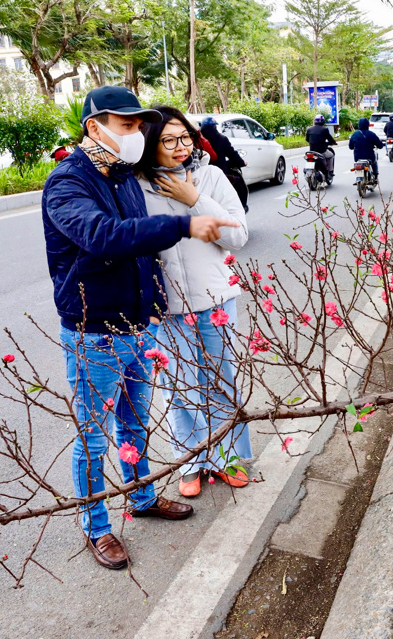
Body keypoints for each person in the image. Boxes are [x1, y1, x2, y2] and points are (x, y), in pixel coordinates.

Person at [42, 86, 239, 571]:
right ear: (95, 126)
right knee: (93, 435)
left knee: (134, 422)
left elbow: (143, 251)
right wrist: (184, 225)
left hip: (138, 326)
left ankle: (143, 497)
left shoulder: (126, 176)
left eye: (137, 125)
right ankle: (97, 527)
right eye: (127, 126)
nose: (136, 135)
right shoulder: (67, 183)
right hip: (94, 330)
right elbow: (101, 236)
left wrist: (152, 305)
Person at [136, 106, 252, 498]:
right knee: (179, 387)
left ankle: (230, 457)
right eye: (168, 140)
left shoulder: (211, 177)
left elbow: (236, 236)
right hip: (166, 307)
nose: (180, 147)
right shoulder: (136, 186)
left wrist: (194, 197)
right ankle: (192, 461)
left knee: (221, 379)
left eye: (185, 137)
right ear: (150, 144)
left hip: (215, 299)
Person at [199, 117, 248, 213]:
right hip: (220, 173)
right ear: (215, 127)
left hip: (200, 174)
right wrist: (242, 163)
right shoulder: (221, 139)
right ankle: (241, 208)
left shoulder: (198, 140)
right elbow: (232, 154)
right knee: (238, 182)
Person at [349, 117, 384, 183]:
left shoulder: (355, 134)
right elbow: (380, 145)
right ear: (368, 125)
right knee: (374, 162)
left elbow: (350, 147)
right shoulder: (371, 134)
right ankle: (376, 177)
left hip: (357, 157)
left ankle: (358, 178)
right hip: (369, 157)